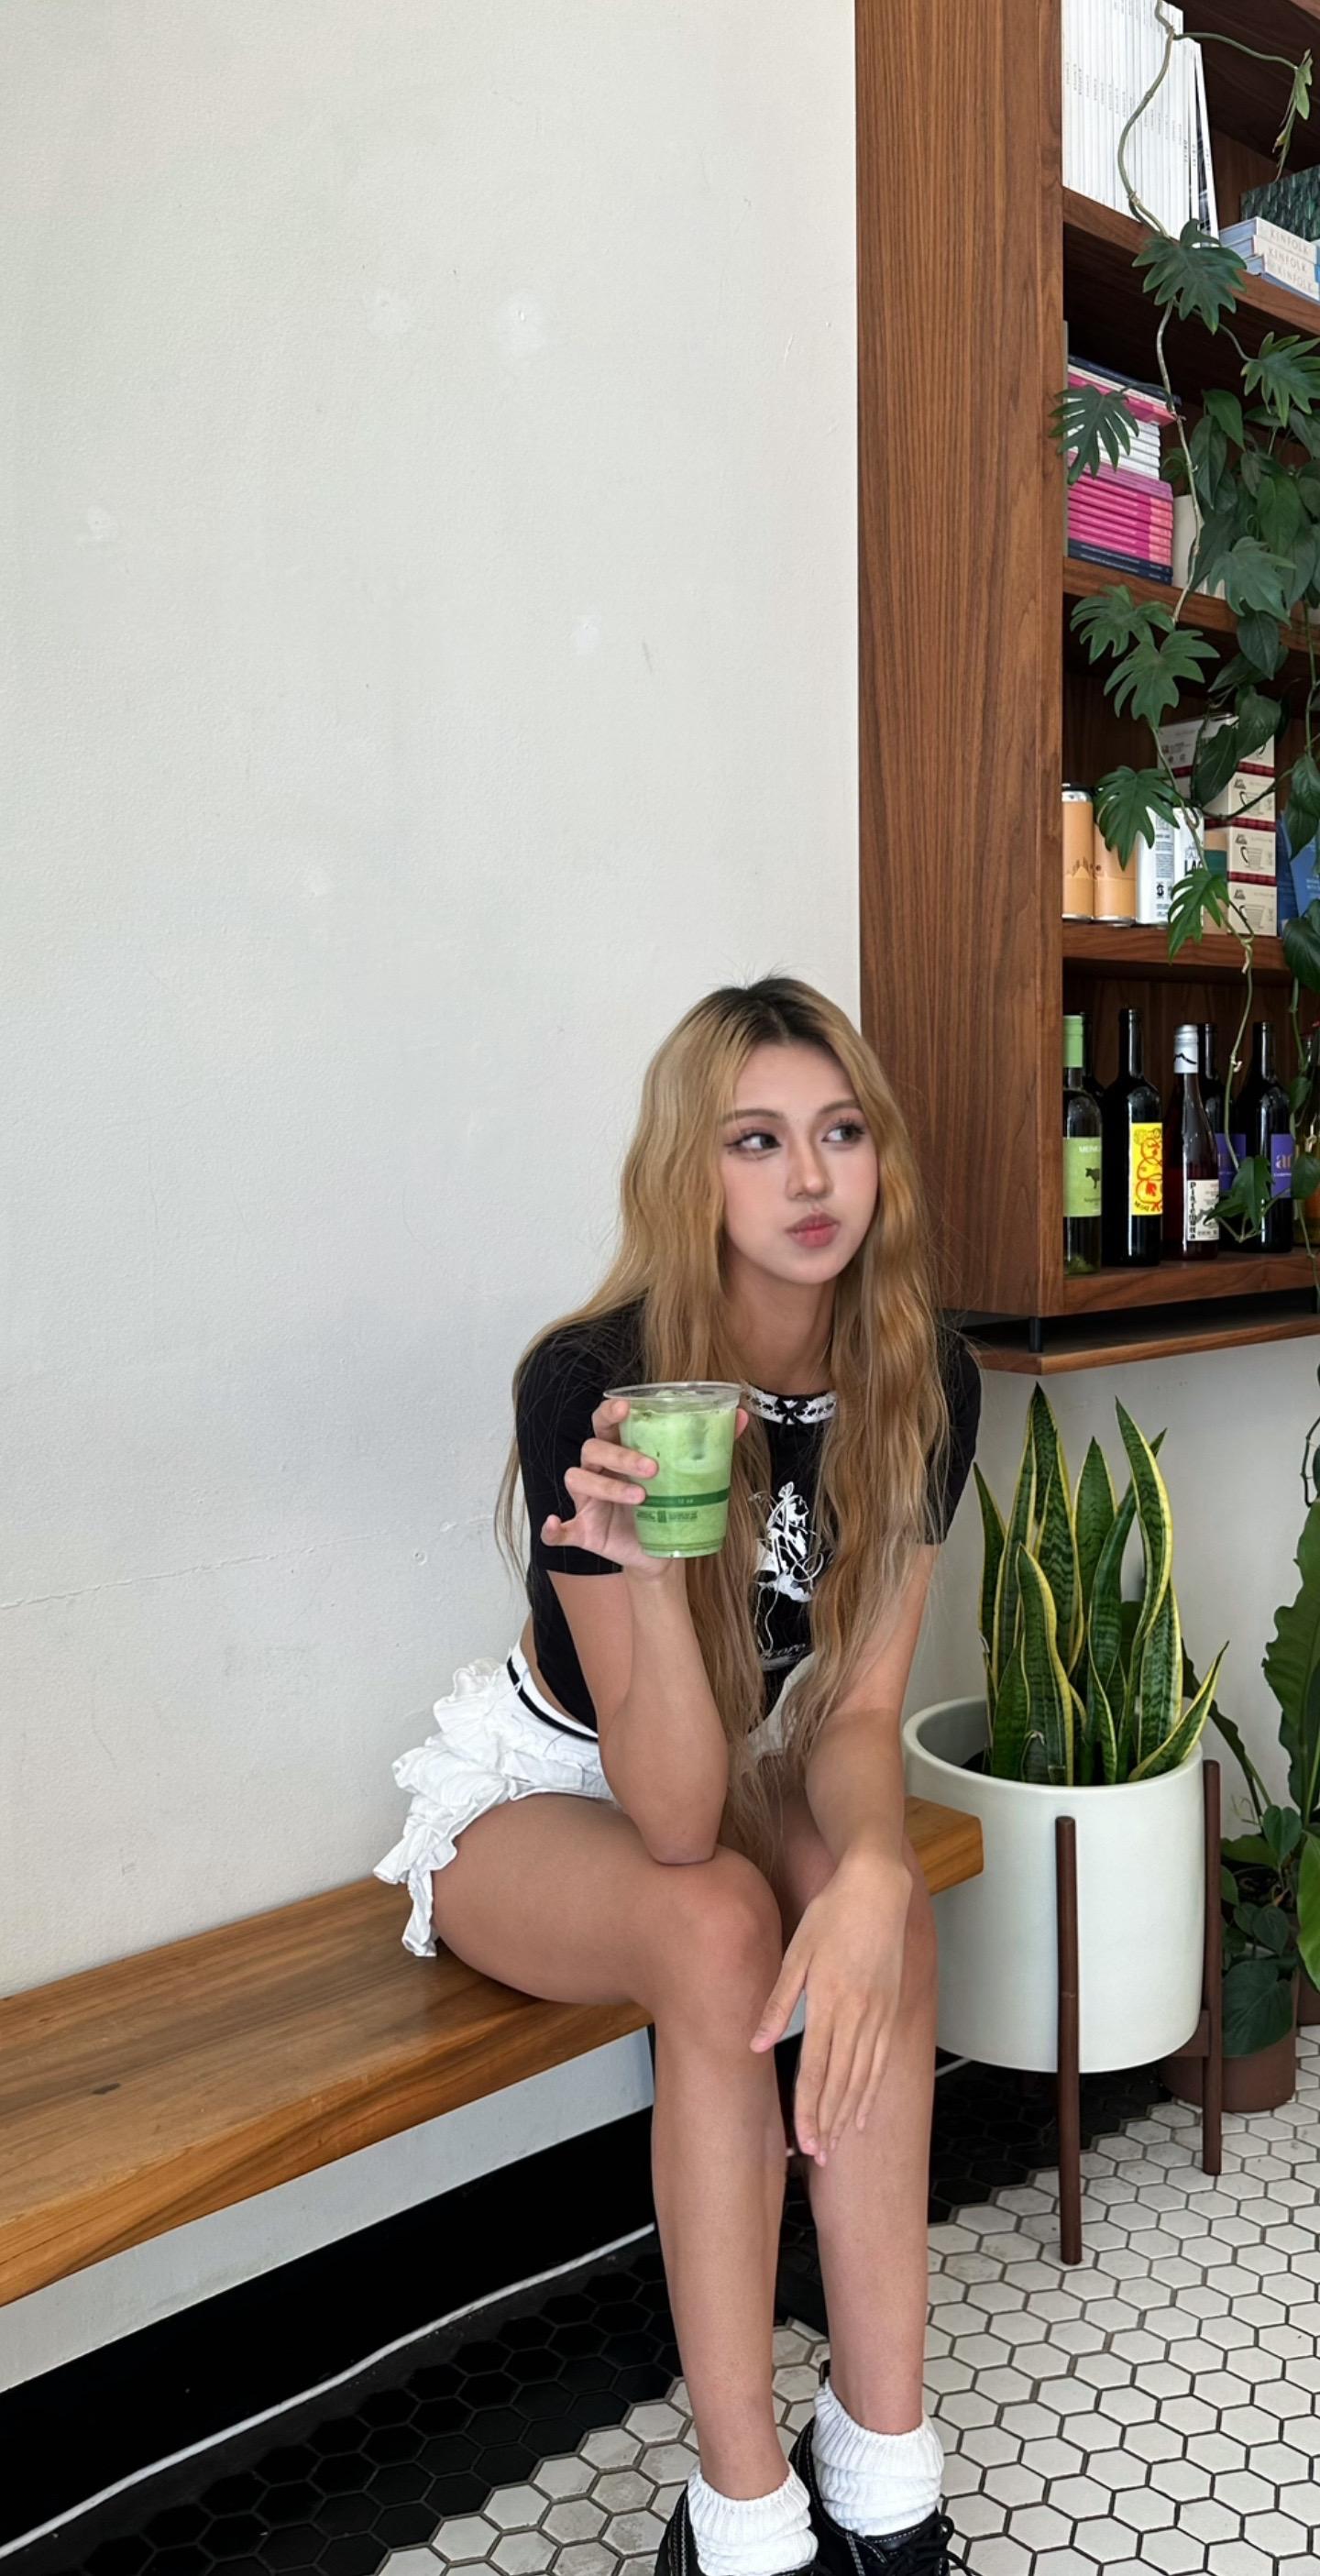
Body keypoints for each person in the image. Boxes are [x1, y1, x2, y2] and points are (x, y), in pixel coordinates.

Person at [376, 975, 982, 2576]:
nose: (811, 1177)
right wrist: (644, 1576)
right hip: (548, 1782)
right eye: (756, 1139)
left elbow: (852, 1713)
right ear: (689, 1171)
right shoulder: (595, 1381)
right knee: (716, 1924)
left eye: (841, 1132)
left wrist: (872, 1870)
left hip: (752, 1749)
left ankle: (883, 2476)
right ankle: (740, 2515)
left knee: (885, 1909)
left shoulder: (921, 1374)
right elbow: (672, 1818)